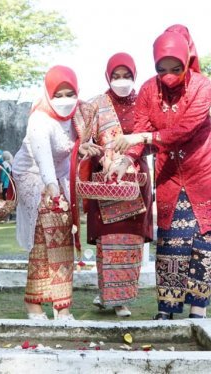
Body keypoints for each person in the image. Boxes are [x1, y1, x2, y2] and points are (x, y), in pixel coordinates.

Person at [113, 29, 211, 320]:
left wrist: (141, 137)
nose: (168, 75)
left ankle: (198, 310)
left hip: (204, 171)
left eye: (175, 69)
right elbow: (138, 130)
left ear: (187, 62)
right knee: (171, 241)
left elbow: (184, 129)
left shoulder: (202, 86)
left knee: (203, 242)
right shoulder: (149, 91)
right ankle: (166, 309)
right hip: (169, 175)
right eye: (161, 69)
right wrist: (125, 161)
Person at [14, 65, 100, 321]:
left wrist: (84, 147)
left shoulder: (80, 114)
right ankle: (34, 305)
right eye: (58, 94)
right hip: (33, 176)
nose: (64, 100)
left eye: (69, 93)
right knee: (46, 234)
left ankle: (62, 307)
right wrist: (51, 189)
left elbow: (75, 146)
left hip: (60, 177)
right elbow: (42, 158)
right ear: (48, 93)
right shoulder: (40, 118)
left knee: (63, 236)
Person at [84, 53, 153, 318]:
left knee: (130, 242)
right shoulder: (96, 105)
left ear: (134, 76)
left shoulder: (144, 105)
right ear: (108, 77)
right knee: (109, 242)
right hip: (106, 182)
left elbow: (150, 139)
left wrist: (129, 156)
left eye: (126, 76)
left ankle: (123, 300)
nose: (121, 81)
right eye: (116, 76)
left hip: (136, 181)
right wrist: (93, 150)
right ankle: (107, 295)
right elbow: (85, 140)